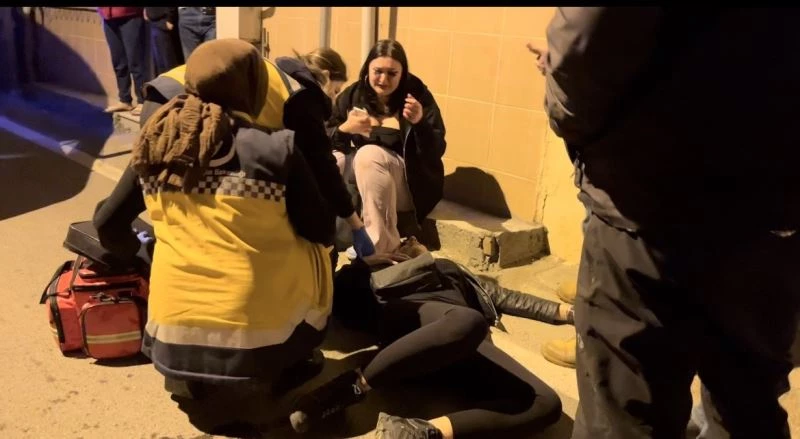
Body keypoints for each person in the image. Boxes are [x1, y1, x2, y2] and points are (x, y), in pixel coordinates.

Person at [541, 8, 799, 438]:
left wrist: (569, 115)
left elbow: (587, 36)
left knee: (626, 413)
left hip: (652, 202)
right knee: (748, 404)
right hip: (773, 213)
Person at [92, 39, 334, 389]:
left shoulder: (157, 144)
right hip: (262, 341)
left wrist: (146, 255)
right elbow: (321, 229)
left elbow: (107, 224)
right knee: (317, 252)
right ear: (254, 87)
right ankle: (296, 353)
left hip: (170, 338)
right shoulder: (275, 149)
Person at [288, 238, 565, 438]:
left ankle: (418, 432)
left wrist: (571, 312)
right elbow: (335, 294)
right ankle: (350, 387)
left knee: (547, 403)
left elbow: (512, 299)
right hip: (414, 328)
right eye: (405, 240)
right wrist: (364, 264)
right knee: (468, 321)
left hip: (461, 344)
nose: (412, 240)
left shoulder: (452, 270)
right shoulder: (383, 274)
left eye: (414, 239)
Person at [140, 46, 376, 260]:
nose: (333, 99)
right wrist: (354, 224)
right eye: (335, 91)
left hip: (161, 96)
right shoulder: (303, 96)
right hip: (182, 105)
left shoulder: (277, 75)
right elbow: (323, 167)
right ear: (324, 76)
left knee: (164, 189)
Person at [326, 39, 446, 256]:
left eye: (392, 73)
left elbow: (436, 151)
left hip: (410, 184)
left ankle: (379, 243)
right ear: (368, 69)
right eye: (378, 71)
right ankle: (324, 236)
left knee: (368, 154)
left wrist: (420, 124)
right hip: (369, 176)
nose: (383, 79)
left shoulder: (416, 97)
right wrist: (344, 129)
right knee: (334, 160)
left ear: (402, 74)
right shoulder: (355, 95)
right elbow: (321, 138)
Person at [97, 7, 147, 115]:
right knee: (119, 62)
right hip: (108, 17)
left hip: (130, 15)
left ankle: (142, 101)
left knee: (136, 62)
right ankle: (125, 100)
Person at [143, 7, 183, 76]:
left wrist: (169, 19)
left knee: (169, 63)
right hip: (152, 22)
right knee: (159, 64)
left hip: (163, 22)